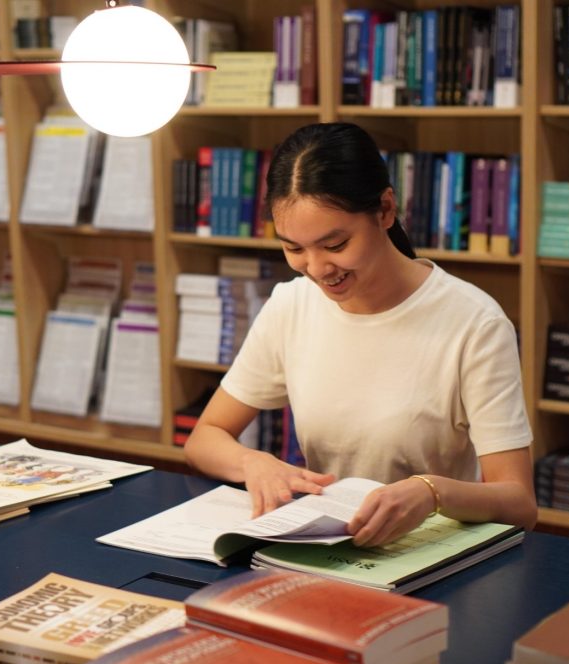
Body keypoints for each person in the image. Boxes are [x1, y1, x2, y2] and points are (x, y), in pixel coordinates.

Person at [184, 122, 537, 546]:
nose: (316, 269)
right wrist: (252, 463)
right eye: (294, 248)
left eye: (334, 246)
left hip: (427, 552)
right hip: (324, 546)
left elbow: (519, 503)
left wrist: (431, 492)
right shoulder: (291, 305)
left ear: (386, 210)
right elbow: (205, 439)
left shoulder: (474, 324)